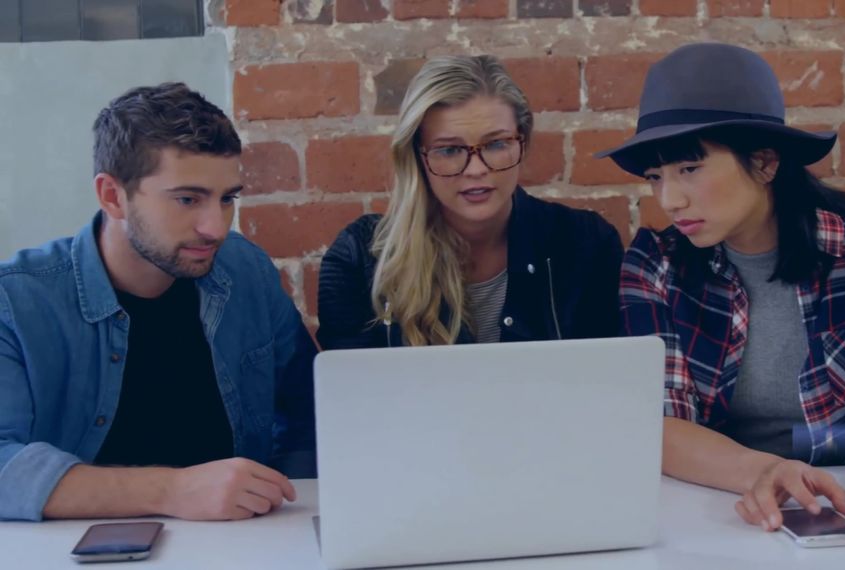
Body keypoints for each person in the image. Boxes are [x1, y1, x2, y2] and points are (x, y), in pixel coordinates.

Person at [599, 43, 845, 546]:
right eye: (656, 177)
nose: (669, 199)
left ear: (765, 162)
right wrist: (765, 471)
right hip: (718, 510)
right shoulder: (656, 263)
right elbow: (660, 420)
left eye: (689, 169)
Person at [0, 83, 317, 522]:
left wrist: (293, 508)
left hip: (244, 540)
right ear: (112, 196)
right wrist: (172, 491)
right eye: (188, 199)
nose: (216, 227)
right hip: (73, 547)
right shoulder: (17, 302)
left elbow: (310, 412)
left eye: (227, 198)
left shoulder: (246, 272)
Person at [317, 55, 623, 349]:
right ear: (417, 157)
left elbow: (607, 376)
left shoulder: (586, 243)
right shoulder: (361, 259)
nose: (476, 170)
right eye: (449, 150)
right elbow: (351, 383)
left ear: (523, 142)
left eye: (496, 144)